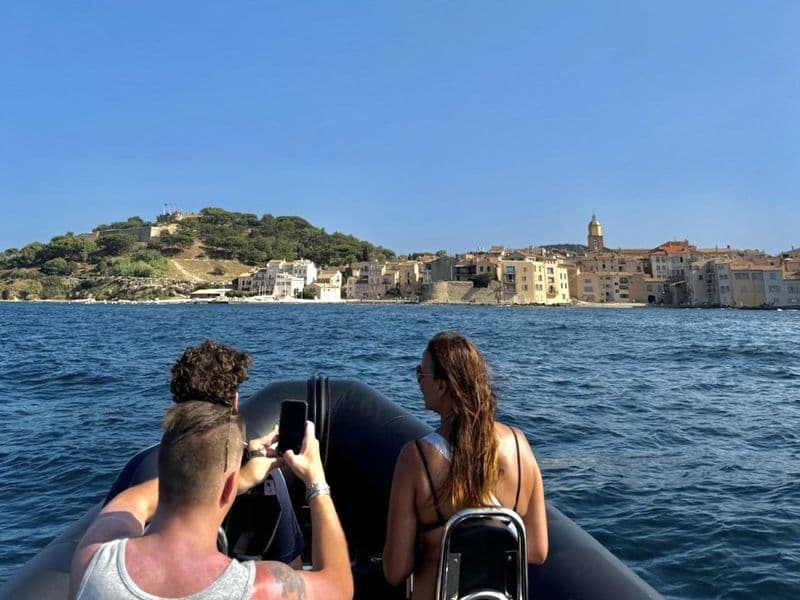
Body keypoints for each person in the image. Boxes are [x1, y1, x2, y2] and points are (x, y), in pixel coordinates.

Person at [70, 400, 353, 600]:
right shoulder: (261, 587)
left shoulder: (92, 560)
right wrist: (316, 480)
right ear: (230, 487)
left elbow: (134, 501)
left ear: (163, 471)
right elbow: (339, 586)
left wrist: (230, 478)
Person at [383, 331, 548, 598]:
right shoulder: (520, 445)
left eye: (420, 372)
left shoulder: (416, 459)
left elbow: (395, 570)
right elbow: (538, 549)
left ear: (441, 385)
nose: (417, 381)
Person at [169, 340, 303, 565]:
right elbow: (293, 570)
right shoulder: (266, 481)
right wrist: (318, 486)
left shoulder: (145, 469)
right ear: (234, 402)